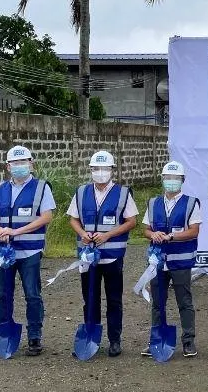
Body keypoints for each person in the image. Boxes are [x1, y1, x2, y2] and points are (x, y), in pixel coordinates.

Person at [0, 145, 56, 357]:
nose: (19, 166)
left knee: (32, 294)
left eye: (23, 162)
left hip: (29, 252)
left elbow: (46, 217)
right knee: (3, 296)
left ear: (31, 164)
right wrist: (0, 230)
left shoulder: (41, 188)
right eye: (15, 163)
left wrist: (17, 231)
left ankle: (34, 337)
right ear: (7, 166)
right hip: (3, 253)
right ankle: (1, 335)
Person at [67, 150, 138, 357]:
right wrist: (82, 234)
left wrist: (107, 235)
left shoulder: (123, 193)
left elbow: (131, 221)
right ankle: (90, 336)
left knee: (114, 299)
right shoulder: (81, 192)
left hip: (113, 256)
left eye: (105, 168)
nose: (100, 172)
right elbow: (73, 218)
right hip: (88, 257)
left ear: (112, 170)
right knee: (90, 298)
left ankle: (114, 340)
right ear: (90, 170)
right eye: (96, 169)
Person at [142, 160, 202, 358]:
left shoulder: (191, 203)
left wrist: (171, 236)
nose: (171, 181)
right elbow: (145, 229)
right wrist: (153, 235)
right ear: (162, 179)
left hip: (181, 261)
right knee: (158, 302)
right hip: (158, 262)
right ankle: (157, 339)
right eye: (168, 177)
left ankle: (188, 341)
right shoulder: (153, 203)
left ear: (182, 180)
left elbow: (194, 231)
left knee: (184, 301)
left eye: (175, 178)